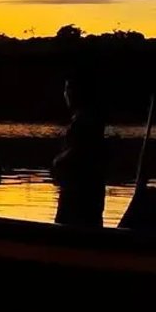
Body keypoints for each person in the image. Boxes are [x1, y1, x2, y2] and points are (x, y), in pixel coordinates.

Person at [52, 77, 107, 230]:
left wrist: (58, 160)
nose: (66, 94)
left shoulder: (84, 122)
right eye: (66, 89)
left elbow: (79, 151)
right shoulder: (89, 120)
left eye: (68, 89)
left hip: (79, 195)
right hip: (87, 194)